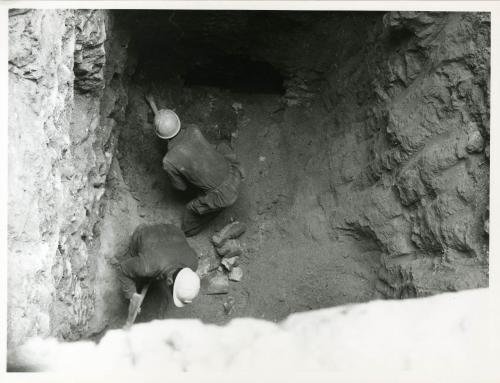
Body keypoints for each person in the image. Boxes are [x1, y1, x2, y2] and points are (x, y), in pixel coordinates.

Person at [145, 94, 244, 237]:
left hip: (223, 195)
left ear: (160, 136)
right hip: (234, 172)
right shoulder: (193, 129)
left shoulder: (169, 160)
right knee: (221, 148)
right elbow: (178, 128)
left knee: (191, 210)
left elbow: (181, 187)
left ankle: (188, 233)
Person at [118, 223, 200, 325]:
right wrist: (132, 295)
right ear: (169, 280)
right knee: (134, 255)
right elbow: (123, 269)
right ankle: (138, 233)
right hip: (147, 232)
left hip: (173, 230)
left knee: (151, 269)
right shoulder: (147, 266)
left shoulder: (193, 261)